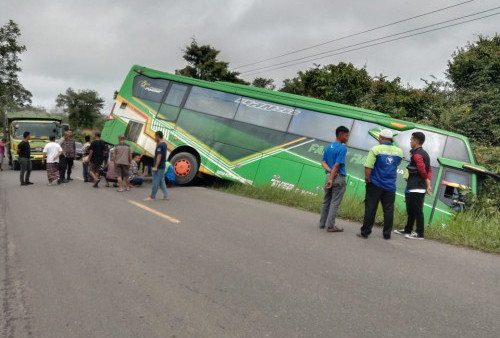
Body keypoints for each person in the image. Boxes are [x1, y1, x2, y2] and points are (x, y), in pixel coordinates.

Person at [358, 129, 404, 240]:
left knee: (371, 208)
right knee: (388, 209)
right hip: (390, 185)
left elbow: (368, 166)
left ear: (382, 138)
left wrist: (367, 178)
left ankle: (365, 232)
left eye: (379, 137)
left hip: (375, 183)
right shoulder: (399, 152)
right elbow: (397, 164)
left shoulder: (375, 149)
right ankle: (387, 234)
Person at [394, 132, 432, 240]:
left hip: (417, 187)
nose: (410, 141)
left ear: (416, 141)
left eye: (411, 140)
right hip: (414, 186)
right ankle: (407, 229)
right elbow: (429, 169)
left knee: (417, 210)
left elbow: (422, 170)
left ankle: (420, 233)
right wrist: (427, 182)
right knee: (411, 210)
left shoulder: (418, 154)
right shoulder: (422, 153)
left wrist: (426, 182)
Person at [319, 126, 350, 232]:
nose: (347, 138)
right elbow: (337, 165)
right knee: (335, 202)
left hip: (328, 176)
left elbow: (323, 162)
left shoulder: (328, 146)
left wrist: (330, 173)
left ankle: (322, 223)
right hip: (337, 178)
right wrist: (332, 177)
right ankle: (331, 226)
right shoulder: (342, 148)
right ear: (341, 135)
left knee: (326, 201)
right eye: (346, 136)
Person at [144, 131, 168, 201]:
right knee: (161, 181)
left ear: (157, 136)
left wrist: (155, 167)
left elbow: (159, 156)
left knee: (155, 182)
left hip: (159, 166)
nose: (154, 138)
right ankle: (166, 196)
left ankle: (152, 196)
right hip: (162, 166)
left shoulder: (160, 145)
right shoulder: (164, 144)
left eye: (155, 136)